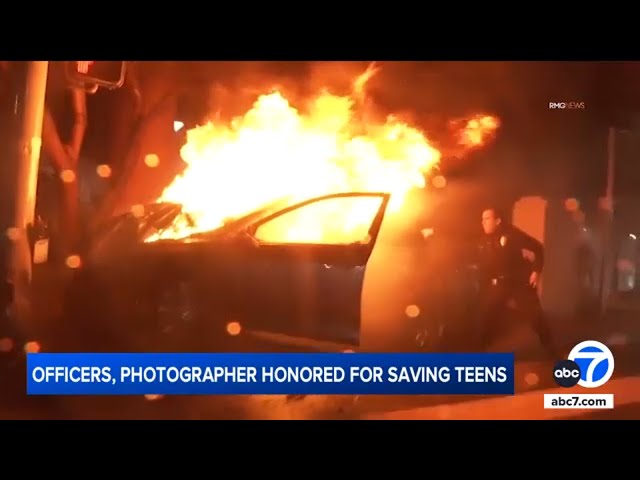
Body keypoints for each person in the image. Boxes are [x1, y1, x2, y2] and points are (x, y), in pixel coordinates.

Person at [476, 207, 558, 358]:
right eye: (482, 219)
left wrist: (536, 271)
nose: (483, 223)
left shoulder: (512, 234)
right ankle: (479, 351)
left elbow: (538, 247)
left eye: (487, 219)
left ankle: (552, 351)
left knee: (535, 317)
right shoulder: (486, 239)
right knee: (488, 315)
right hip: (501, 283)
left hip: (520, 283)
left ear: (498, 221)